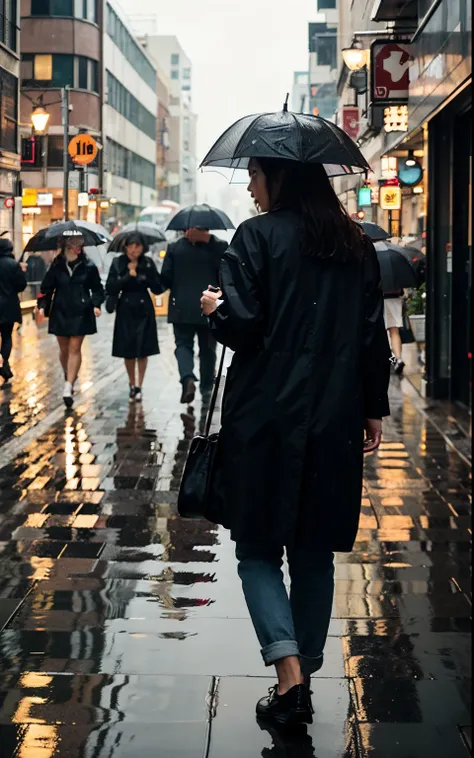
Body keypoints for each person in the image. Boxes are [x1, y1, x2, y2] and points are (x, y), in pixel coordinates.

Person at [201, 158, 390, 727]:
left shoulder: (255, 237)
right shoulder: (353, 244)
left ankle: (290, 680)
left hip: (264, 415)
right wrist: (373, 407)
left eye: (256, 175)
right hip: (333, 413)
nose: (252, 186)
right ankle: (301, 674)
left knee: (257, 546)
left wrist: (215, 310)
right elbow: (370, 332)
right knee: (313, 549)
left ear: (279, 178)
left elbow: (245, 325)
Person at [161, 227, 227, 405]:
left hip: (181, 307)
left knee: (183, 345)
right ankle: (206, 388)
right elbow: (225, 274)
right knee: (208, 350)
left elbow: (165, 278)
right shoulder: (218, 247)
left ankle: (187, 379)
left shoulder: (174, 248)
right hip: (208, 304)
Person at [37, 232, 104, 408]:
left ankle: (68, 386)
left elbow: (97, 289)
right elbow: (46, 288)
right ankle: (70, 376)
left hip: (81, 311)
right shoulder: (56, 266)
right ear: (65, 244)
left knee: (75, 347)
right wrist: (42, 305)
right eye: (73, 242)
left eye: (79, 242)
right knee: (64, 349)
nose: (77, 245)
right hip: (60, 310)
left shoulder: (88, 266)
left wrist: (96, 304)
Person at [106, 232, 163, 402]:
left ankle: (140, 385)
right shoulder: (118, 263)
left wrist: (142, 275)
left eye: (137, 245)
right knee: (128, 350)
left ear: (143, 247)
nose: (133, 249)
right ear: (125, 246)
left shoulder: (148, 263)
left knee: (143, 349)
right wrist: (127, 276)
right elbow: (110, 287)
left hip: (144, 308)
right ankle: (132, 383)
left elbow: (157, 287)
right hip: (126, 308)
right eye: (130, 245)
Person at [0, 237, 27, 385]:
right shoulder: (13, 265)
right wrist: (21, 271)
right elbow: (21, 285)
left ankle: (3, 366)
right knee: (6, 337)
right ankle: (4, 363)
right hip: (9, 306)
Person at [384, 288, 405, 375]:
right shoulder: (396, 274)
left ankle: (387, 359)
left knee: (380, 332)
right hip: (395, 297)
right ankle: (398, 359)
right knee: (394, 331)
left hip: (379, 298)